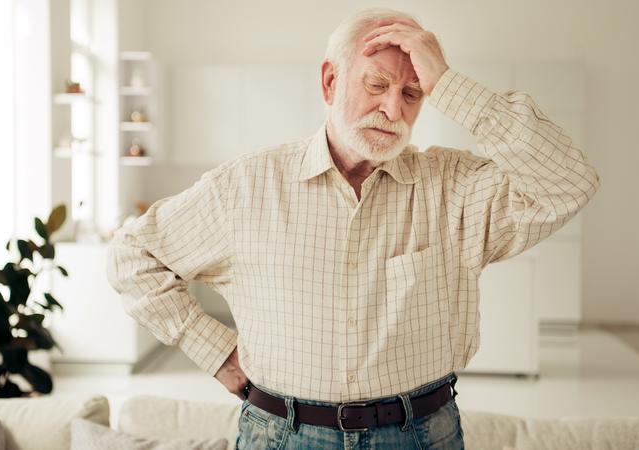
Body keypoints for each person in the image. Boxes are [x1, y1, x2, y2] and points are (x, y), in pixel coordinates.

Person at [106, 7, 601, 450]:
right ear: (329, 82)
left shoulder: (455, 188)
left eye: (412, 93)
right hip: (281, 435)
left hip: (422, 436)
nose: (393, 110)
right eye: (377, 84)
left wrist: (448, 83)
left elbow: (570, 183)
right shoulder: (246, 186)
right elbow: (133, 256)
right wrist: (214, 350)